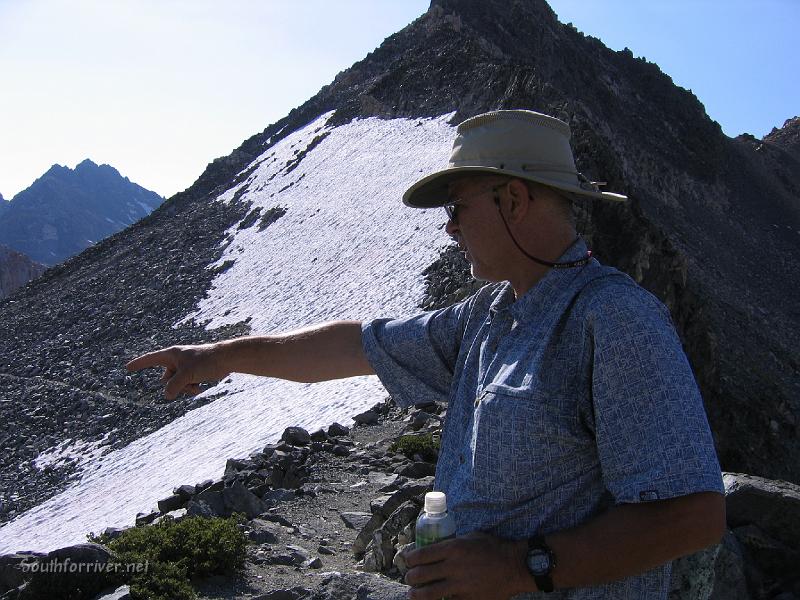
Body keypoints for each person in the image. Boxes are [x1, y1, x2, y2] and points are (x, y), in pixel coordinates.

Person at [127, 110, 726, 599]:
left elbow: (692, 516)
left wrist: (523, 567)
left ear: (513, 200)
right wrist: (219, 355)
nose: (449, 230)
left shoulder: (614, 320)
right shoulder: (487, 316)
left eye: (457, 208)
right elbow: (356, 345)